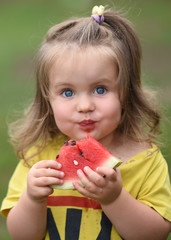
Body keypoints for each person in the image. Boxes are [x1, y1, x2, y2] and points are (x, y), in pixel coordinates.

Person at [1, 5, 171, 240]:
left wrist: (114, 199)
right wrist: (32, 198)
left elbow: (156, 234)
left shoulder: (147, 161)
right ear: (47, 100)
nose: (84, 106)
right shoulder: (38, 158)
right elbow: (22, 236)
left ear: (126, 93)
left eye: (100, 89)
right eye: (68, 92)